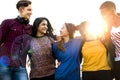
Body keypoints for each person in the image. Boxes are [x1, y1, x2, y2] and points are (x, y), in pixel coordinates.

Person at [0, 0, 32, 80]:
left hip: (21, 67)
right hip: (5, 65)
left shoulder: (30, 28)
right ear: (21, 10)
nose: (31, 12)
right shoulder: (7, 23)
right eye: (29, 9)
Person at [100, 1, 120, 80]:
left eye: (104, 14)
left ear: (112, 11)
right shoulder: (106, 29)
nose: (103, 17)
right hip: (118, 63)